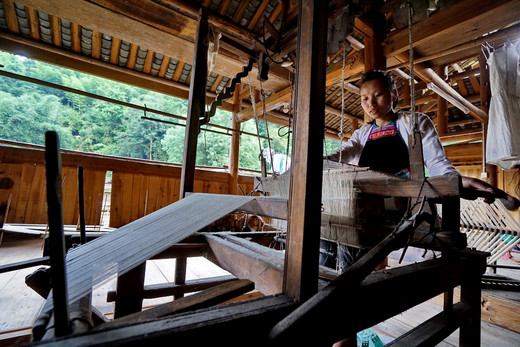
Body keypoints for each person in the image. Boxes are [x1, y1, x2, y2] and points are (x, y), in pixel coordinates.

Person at [324, 69, 518, 347]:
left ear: (394, 94)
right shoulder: (363, 133)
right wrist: (311, 161)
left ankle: (347, 326)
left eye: (378, 94)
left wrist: (461, 182)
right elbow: (342, 154)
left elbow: (439, 166)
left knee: (355, 270)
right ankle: (345, 329)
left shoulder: (413, 123)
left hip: (404, 209)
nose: (370, 103)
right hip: (368, 209)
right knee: (344, 265)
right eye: (365, 98)